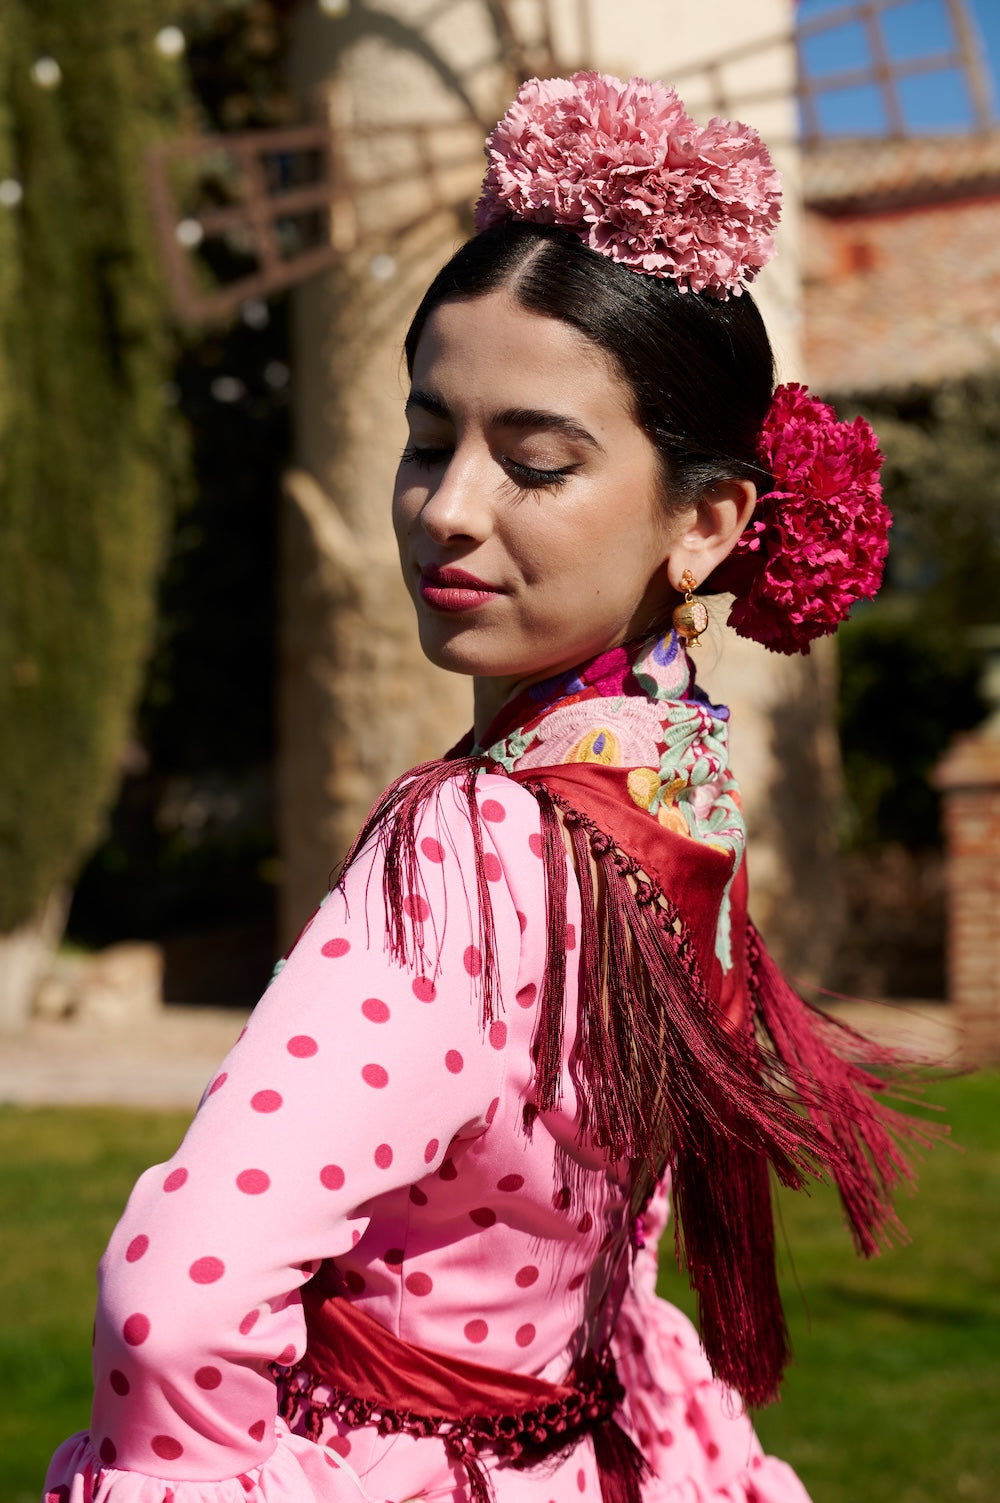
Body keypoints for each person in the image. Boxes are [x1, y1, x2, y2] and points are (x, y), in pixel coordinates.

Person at [45, 72, 932, 1503]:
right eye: (424, 439)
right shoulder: (674, 781)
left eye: (534, 460)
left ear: (706, 522)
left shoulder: (465, 849)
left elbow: (176, 1299)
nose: (448, 507)